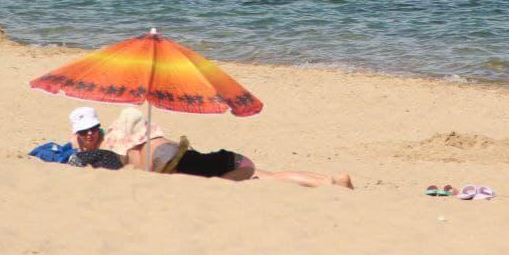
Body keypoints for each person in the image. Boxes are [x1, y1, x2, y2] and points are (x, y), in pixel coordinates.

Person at [68, 106, 352, 188]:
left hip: (211, 164)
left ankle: (326, 183)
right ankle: (332, 180)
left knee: (264, 179)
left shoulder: (125, 145)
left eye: (93, 129)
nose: (90, 134)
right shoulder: (138, 139)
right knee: (264, 176)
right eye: (84, 132)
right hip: (212, 160)